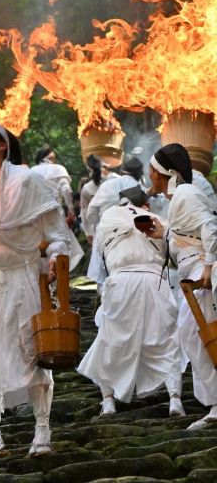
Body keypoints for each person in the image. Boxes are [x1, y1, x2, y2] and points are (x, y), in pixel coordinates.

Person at [0, 124, 72, 463]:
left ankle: (43, 429)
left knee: (32, 350)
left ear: (3, 146)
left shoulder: (27, 180)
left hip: (23, 275)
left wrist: (56, 262)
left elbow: (56, 232)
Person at [77, 185, 184, 416]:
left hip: (121, 281)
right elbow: (175, 257)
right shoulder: (158, 219)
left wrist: (101, 291)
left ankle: (108, 402)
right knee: (166, 340)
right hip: (154, 282)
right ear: (144, 204)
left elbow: (100, 263)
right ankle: (175, 399)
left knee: (110, 340)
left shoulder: (109, 217)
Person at [147, 144, 217, 430]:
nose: (149, 175)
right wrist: (163, 235)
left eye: (152, 170)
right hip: (194, 274)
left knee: (196, 335)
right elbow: (184, 245)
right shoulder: (177, 201)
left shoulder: (186, 193)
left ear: (165, 173)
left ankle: (215, 405)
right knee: (193, 336)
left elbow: (210, 228)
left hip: (204, 273)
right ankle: (214, 404)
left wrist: (210, 270)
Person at [86, 156, 143, 293]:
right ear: (140, 174)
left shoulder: (107, 185)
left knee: (104, 278)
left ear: (123, 170)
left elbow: (91, 212)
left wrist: (96, 227)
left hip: (105, 234)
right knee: (129, 277)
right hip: (131, 238)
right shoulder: (140, 188)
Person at [31, 146, 83, 271]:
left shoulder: (32, 171)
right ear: (50, 157)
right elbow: (66, 190)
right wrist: (71, 210)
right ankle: (57, 279)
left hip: (34, 215)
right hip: (55, 214)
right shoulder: (58, 169)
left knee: (39, 248)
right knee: (60, 245)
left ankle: (44, 280)